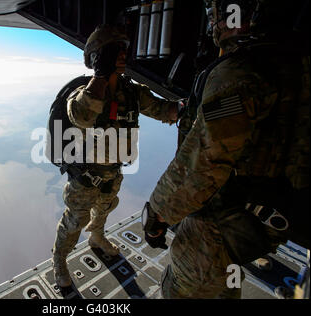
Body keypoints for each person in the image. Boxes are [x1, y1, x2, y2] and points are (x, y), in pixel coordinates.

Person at [145, 0, 310, 298]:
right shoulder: (296, 62)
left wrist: (157, 213)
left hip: (225, 221)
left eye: (218, 14)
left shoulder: (239, 74)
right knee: (227, 283)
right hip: (269, 219)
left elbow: (206, 158)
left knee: (179, 291)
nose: (214, 23)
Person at [52, 24, 179, 288]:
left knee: (105, 210)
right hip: (85, 176)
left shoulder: (132, 92)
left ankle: (97, 238)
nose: (123, 55)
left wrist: (185, 108)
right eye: (114, 51)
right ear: (99, 56)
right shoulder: (83, 92)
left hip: (113, 172)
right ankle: (60, 261)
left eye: (123, 50)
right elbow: (82, 115)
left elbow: (163, 109)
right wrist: (101, 74)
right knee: (75, 220)